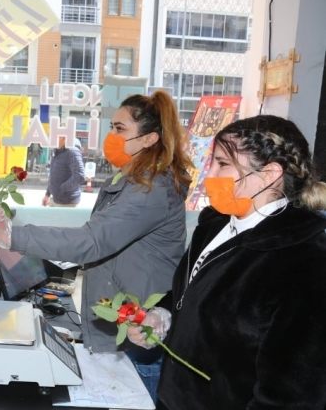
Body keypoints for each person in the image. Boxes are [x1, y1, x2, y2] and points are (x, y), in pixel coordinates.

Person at [0, 90, 192, 401]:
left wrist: (12, 235)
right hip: (123, 329)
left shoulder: (152, 190)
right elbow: (101, 238)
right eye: (111, 127)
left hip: (140, 338)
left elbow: (92, 241)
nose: (110, 137)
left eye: (120, 129)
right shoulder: (130, 180)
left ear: (149, 140)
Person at [127, 115, 326, 409]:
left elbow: (291, 395)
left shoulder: (305, 260)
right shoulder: (214, 225)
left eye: (222, 163)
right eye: (211, 162)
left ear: (269, 174)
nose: (209, 174)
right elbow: (193, 294)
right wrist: (162, 316)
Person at [42, 137, 85, 207]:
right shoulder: (57, 151)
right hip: (56, 200)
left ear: (64, 138)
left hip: (67, 203)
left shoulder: (72, 151)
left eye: (55, 136)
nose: (51, 139)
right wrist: (47, 194)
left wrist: (61, 189)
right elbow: (54, 175)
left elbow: (79, 176)